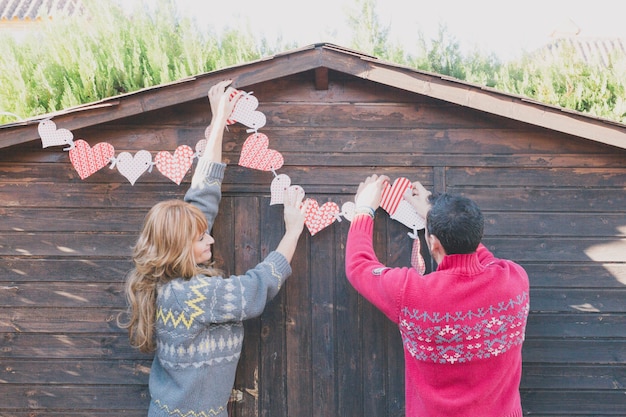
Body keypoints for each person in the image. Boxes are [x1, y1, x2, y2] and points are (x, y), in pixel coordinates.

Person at [119, 80, 308, 417]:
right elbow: (256, 287)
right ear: (177, 248)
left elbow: (201, 196)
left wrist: (219, 121)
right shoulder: (191, 295)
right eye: (200, 238)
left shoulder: (168, 282)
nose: (210, 239)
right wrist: (292, 231)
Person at [344, 174, 530, 417]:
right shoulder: (514, 279)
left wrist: (364, 209)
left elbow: (359, 266)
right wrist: (434, 219)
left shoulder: (411, 293)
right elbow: (479, 256)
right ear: (478, 235)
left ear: (433, 245)